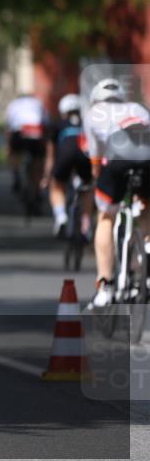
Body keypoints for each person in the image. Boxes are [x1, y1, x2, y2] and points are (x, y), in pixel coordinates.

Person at [83, 78, 150, 308]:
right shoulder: (137, 108)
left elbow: (95, 155)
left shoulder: (93, 114)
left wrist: (96, 177)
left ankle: (105, 287)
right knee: (146, 209)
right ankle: (146, 254)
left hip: (116, 164)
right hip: (147, 163)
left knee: (105, 217)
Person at [43, 94, 93, 238]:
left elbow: (50, 156)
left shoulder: (58, 125)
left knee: (57, 185)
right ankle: (86, 224)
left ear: (62, 111)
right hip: (84, 156)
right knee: (87, 187)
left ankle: (61, 216)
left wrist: (47, 176)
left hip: (65, 156)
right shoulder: (86, 124)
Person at [5, 92, 49, 204]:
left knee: (14, 153)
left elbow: (9, 126)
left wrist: (9, 146)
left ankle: (16, 174)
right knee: (38, 160)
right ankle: (37, 188)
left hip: (19, 131)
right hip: (36, 131)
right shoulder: (38, 103)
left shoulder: (13, 104)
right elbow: (46, 122)